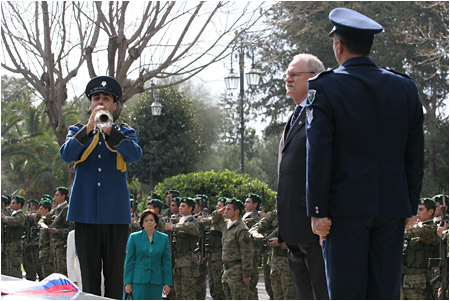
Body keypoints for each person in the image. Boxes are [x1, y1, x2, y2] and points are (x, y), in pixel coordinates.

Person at [305, 8, 424, 299]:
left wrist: (317, 211)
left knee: (347, 293)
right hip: (391, 205)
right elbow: (415, 152)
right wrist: (410, 203)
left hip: (345, 210)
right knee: (385, 292)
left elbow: (318, 153)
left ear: (338, 45)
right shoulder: (404, 87)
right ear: (370, 46)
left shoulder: (325, 87)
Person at [60, 76, 142, 299]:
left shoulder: (124, 133)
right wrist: (89, 127)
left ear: (114, 106)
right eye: (96, 98)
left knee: (116, 277)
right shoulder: (78, 131)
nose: (101, 102)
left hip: (115, 215)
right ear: (89, 104)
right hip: (85, 215)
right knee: (89, 277)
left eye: (106, 99)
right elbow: (66, 154)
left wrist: (109, 131)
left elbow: (134, 154)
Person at [277, 53, 328, 300]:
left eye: (294, 74)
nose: (288, 79)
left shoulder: (321, 113)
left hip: (315, 225)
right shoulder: (296, 114)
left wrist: (323, 212)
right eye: (287, 74)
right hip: (293, 227)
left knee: (323, 293)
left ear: (314, 77)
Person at [250, 203, 295, 300]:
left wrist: (281, 243)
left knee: (290, 296)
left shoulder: (296, 215)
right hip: (274, 262)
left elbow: (302, 239)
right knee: (275, 296)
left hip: (290, 263)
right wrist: (255, 233)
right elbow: (257, 226)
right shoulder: (274, 215)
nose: (276, 205)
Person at [211, 198, 254, 300]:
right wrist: (218, 212)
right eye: (225, 209)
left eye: (228, 209)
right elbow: (214, 222)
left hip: (237, 272)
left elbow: (247, 253)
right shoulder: (226, 224)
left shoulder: (242, 229)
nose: (225, 212)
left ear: (237, 211)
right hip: (226, 270)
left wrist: (246, 275)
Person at [124, 209, 172, 300]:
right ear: (142, 224)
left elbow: (166, 262)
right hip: (139, 280)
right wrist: (128, 282)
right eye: (146, 221)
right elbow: (129, 262)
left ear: (156, 223)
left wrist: (167, 283)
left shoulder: (164, 238)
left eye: (151, 220)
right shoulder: (134, 237)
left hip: (156, 281)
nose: (149, 223)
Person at [402, 198, 440, 299]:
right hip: (406, 280)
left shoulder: (432, 229)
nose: (417, 213)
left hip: (421, 283)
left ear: (430, 211)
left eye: (421, 209)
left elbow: (419, 231)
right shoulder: (414, 228)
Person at [165, 197, 199, 300]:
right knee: (178, 293)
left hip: (188, 262)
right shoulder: (178, 220)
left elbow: (192, 228)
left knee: (188, 294)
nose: (180, 208)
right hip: (177, 261)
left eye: (183, 206)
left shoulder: (192, 221)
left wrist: (173, 227)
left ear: (190, 208)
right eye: (180, 205)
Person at [42, 186, 72, 275]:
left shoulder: (67, 210)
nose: (55, 197)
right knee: (56, 272)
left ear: (63, 196)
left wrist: (58, 231)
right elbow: (44, 220)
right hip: (54, 246)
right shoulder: (54, 211)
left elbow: (71, 229)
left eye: (57, 195)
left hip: (63, 246)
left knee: (63, 273)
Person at [1, 195, 26, 278]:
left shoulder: (20, 215)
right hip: (8, 245)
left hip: (15, 246)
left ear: (19, 204)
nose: (11, 205)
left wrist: (3, 217)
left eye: (14, 203)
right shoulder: (12, 214)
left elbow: (13, 221)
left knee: (14, 269)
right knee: (7, 268)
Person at [243, 193, 262, 299]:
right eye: (245, 202)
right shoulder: (245, 216)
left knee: (250, 286)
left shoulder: (255, 217)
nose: (245, 204)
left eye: (248, 202)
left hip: (251, 255)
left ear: (255, 205)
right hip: (244, 254)